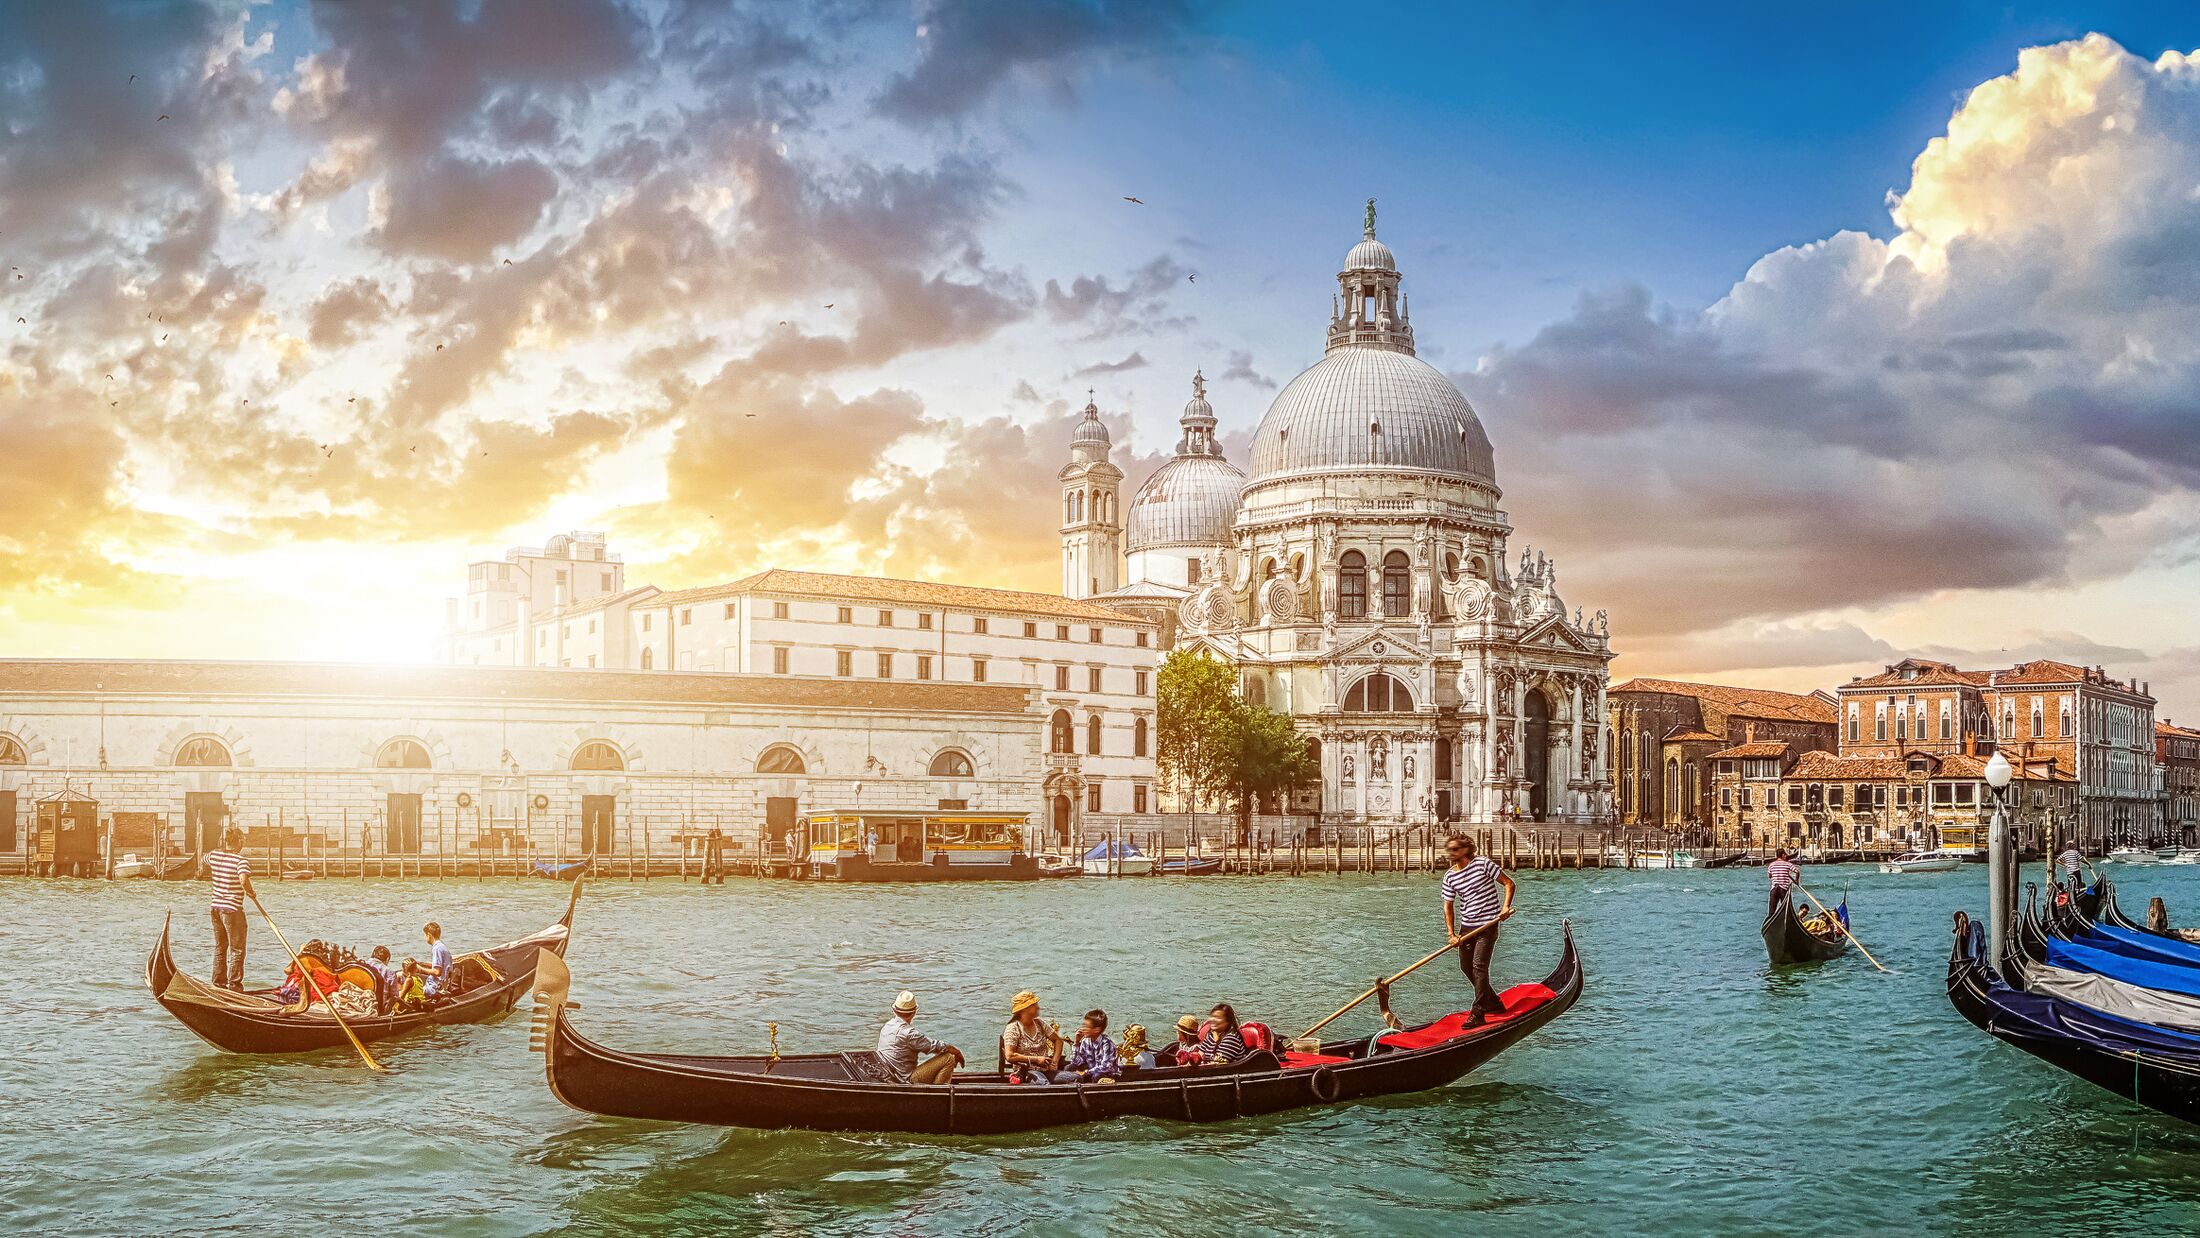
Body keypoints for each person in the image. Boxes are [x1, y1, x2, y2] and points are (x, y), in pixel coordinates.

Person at [1441, 835, 1515, 1028]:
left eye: (1455, 849)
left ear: (1465, 850)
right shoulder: (1449, 876)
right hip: (1467, 927)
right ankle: (1494, 1003)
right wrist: (1451, 934)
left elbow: (1509, 883)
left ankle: (1478, 1012)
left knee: (1478, 967)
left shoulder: (1483, 864)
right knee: (1466, 968)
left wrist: (1505, 907)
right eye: (1449, 849)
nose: (1451, 853)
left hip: (1488, 925)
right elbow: (1448, 906)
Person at [202, 825, 256, 991]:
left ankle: (218, 983)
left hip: (215, 908)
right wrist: (251, 892)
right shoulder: (241, 861)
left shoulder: (214, 855)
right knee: (237, 949)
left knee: (220, 947)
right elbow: (243, 880)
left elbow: (204, 858)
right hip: (232, 910)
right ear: (239, 841)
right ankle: (234, 986)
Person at [876, 990, 964, 1085]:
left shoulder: (887, 1026)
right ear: (914, 1012)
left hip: (889, 1074)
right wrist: (957, 1052)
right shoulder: (909, 1033)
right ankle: (938, 1094)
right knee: (949, 1058)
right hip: (906, 1080)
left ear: (894, 1011)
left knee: (941, 1057)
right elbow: (936, 1046)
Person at [1001, 990, 1061, 1084]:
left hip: (1046, 1070)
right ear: (1025, 1008)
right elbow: (1010, 1056)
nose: (1038, 1007)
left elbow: (1058, 1040)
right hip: (1027, 1072)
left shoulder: (1039, 1023)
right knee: (1044, 1084)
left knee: (1076, 1078)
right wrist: (1036, 1059)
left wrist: (1054, 1062)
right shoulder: (1013, 1028)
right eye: (1034, 1005)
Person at [1055, 1009, 1119, 1083]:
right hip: (1090, 1072)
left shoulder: (1107, 1044)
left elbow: (1106, 1067)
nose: (1083, 1029)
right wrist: (1076, 1043)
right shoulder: (1085, 1041)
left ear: (1096, 1030)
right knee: (1069, 1067)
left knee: (1097, 1076)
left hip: (1106, 1074)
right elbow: (1076, 1062)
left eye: (1086, 1026)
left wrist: (1085, 1072)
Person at [406, 921, 455, 998]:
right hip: (443, 983)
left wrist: (421, 969)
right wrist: (423, 964)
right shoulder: (442, 947)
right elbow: (440, 966)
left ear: (429, 935)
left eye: (425, 935)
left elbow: (437, 972)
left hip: (435, 987)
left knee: (407, 978)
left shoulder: (437, 949)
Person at [1765, 847, 1801, 915]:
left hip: (1774, 890)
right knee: (1787, 911)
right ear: (1783, 855)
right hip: (1783, 889)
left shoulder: (1771, 865)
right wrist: (1796, 881)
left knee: (1771, 912)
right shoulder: (1788, 864)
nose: (1786, 856)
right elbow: (1797, 871)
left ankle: (1770, 922)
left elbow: (1770, 876)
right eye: (1785, 854)